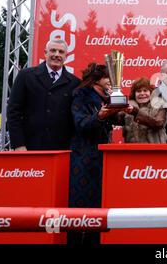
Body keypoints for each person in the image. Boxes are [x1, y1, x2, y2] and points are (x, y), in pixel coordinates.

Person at [68, 63, 131, 244]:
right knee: (81, 207)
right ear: (97, 79)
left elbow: (114, 120)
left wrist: (124, 111)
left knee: (99, 206)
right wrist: (100, 115)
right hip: (84, 158)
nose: (111, 83)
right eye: (107, 79)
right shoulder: (81, 96)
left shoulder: (104, 97)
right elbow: (81, 125)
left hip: (101, 157)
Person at [7, 38, 80, 150]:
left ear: (66, 56)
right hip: (30, 147)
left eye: (61, 52)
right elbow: (13, 112)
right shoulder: (26, 76)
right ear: (45, 53)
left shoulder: (75, 83)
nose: (56, 54)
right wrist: (19, 145)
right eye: (53, 50)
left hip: (63, 150)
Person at [120, 77, 167, 143]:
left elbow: (158, 123)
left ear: (151, 92)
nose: (142, 93)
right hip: (132, 150)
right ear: (134, 94)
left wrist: (136, 113)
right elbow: (116, 119)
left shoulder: (160, 104)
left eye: (145, 90)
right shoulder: (128, 106)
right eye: (138, 91)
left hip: (155, 150)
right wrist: (113, 106)